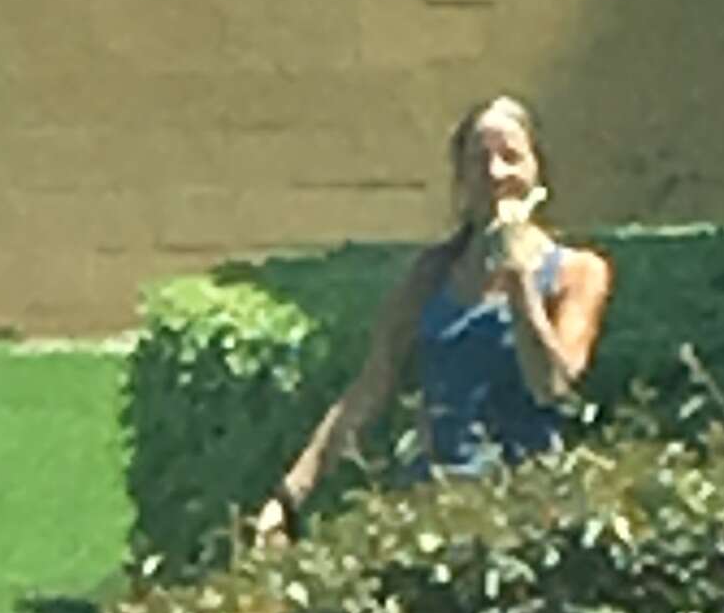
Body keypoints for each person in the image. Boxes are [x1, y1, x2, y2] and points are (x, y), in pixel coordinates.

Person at [252, 94, 615, 546]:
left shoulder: (576, 273)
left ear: (536, 169)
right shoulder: (430, 275)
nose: (496, 173)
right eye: (479, 161)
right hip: (433, 509)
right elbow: (370, 389)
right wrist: (288, 497)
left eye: (510, 158)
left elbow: (552, 386)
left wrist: (518, 279)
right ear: (461, 179)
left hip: (527, 514)